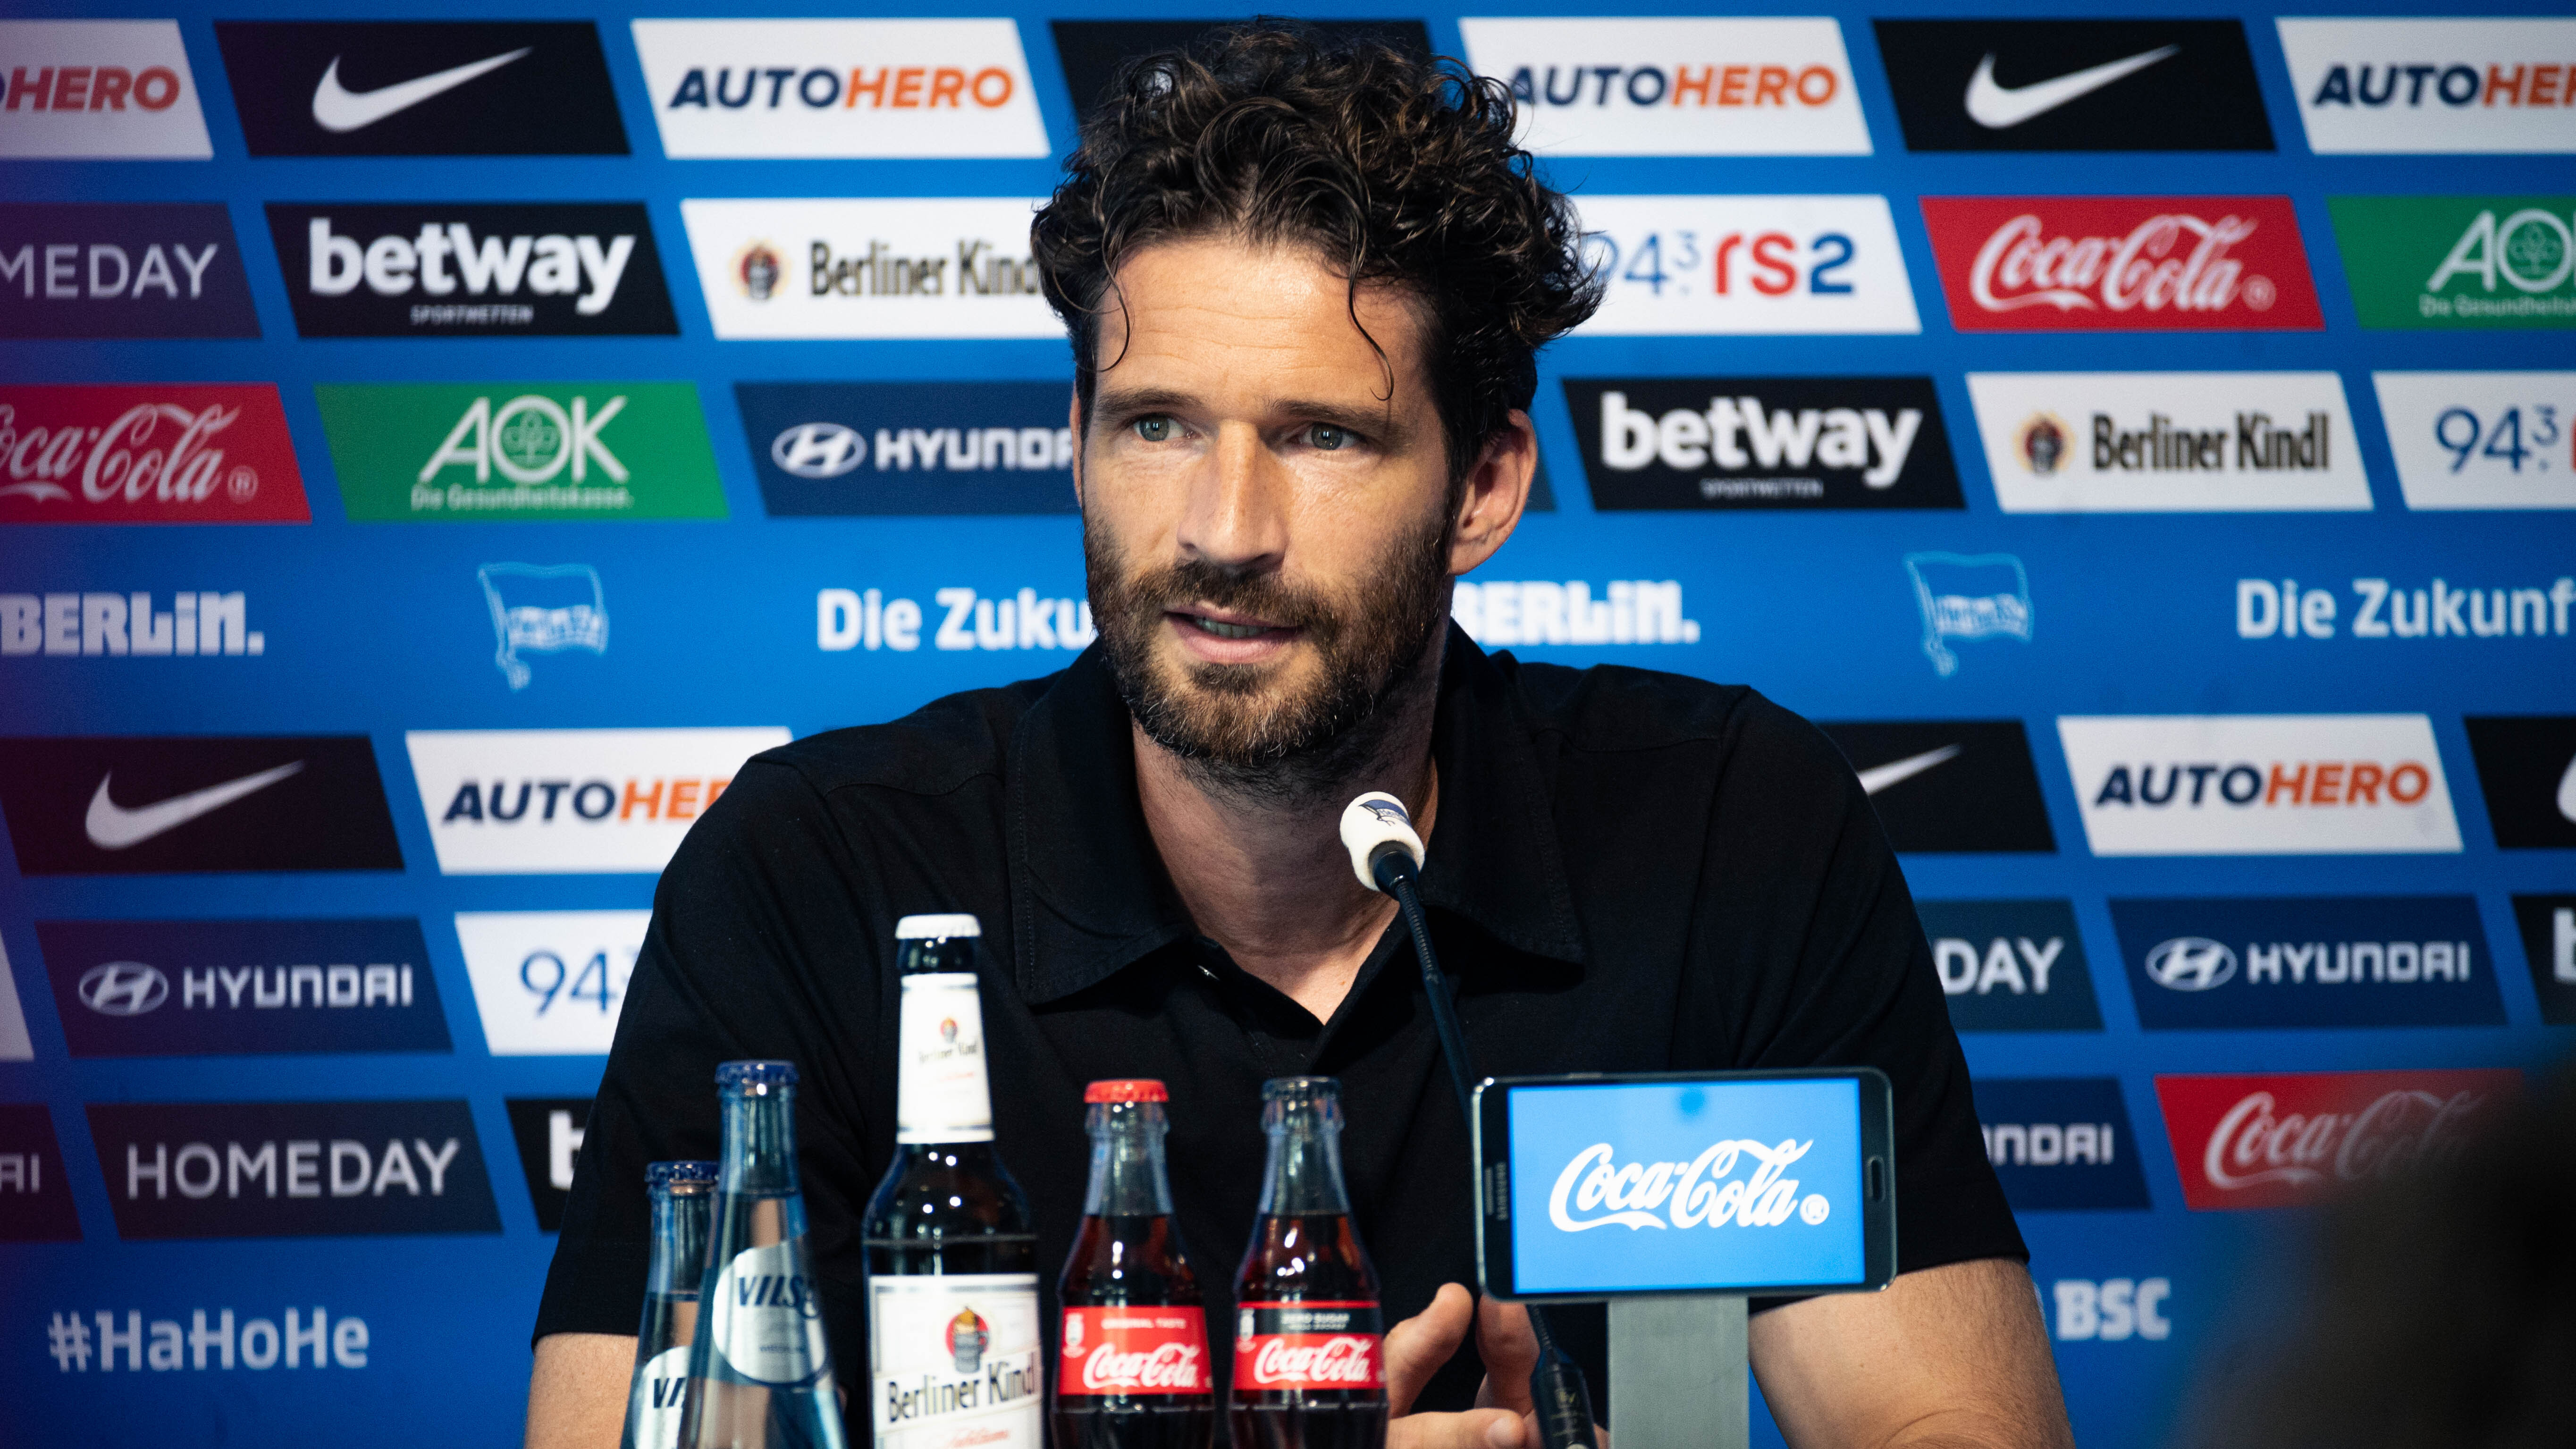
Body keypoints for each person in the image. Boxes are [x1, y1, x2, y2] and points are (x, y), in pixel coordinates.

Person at [526, 25, 2071, 1449]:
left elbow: (1945, 1425)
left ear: (1482, 489)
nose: (1221, 529)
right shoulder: (825, 871)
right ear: (1075, 440)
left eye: (1322, 436)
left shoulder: (1726, 830)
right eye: (1156, 425)